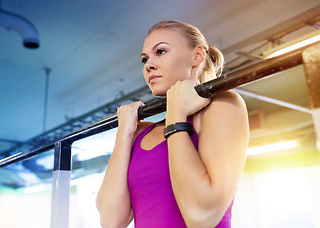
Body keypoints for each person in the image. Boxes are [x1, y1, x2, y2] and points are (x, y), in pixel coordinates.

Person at [96, 20, 249, 228]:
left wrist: (176, 114)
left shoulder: (223, 105)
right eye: (144, 59)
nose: (148, 65)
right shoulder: (139, 132)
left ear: (197, 56)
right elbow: (111, 221)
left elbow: (201, 216)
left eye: (160, 51)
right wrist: (124, 133)